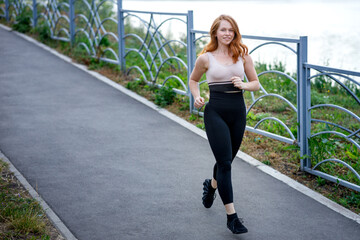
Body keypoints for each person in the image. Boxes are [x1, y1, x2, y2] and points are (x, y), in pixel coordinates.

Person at [189, 14, 260, 234]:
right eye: (223, 30)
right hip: (215, 112)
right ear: (215, 33)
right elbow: (193, 80)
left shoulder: (243, 56)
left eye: (231, 30)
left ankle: (210, 187)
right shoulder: (206, 58)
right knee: (226, 164)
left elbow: (256, 84)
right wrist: (197, 96)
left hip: (238, 113)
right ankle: (232, 217)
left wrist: (244, 85)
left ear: (235, 32)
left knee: (225, 161)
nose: (227, 33)